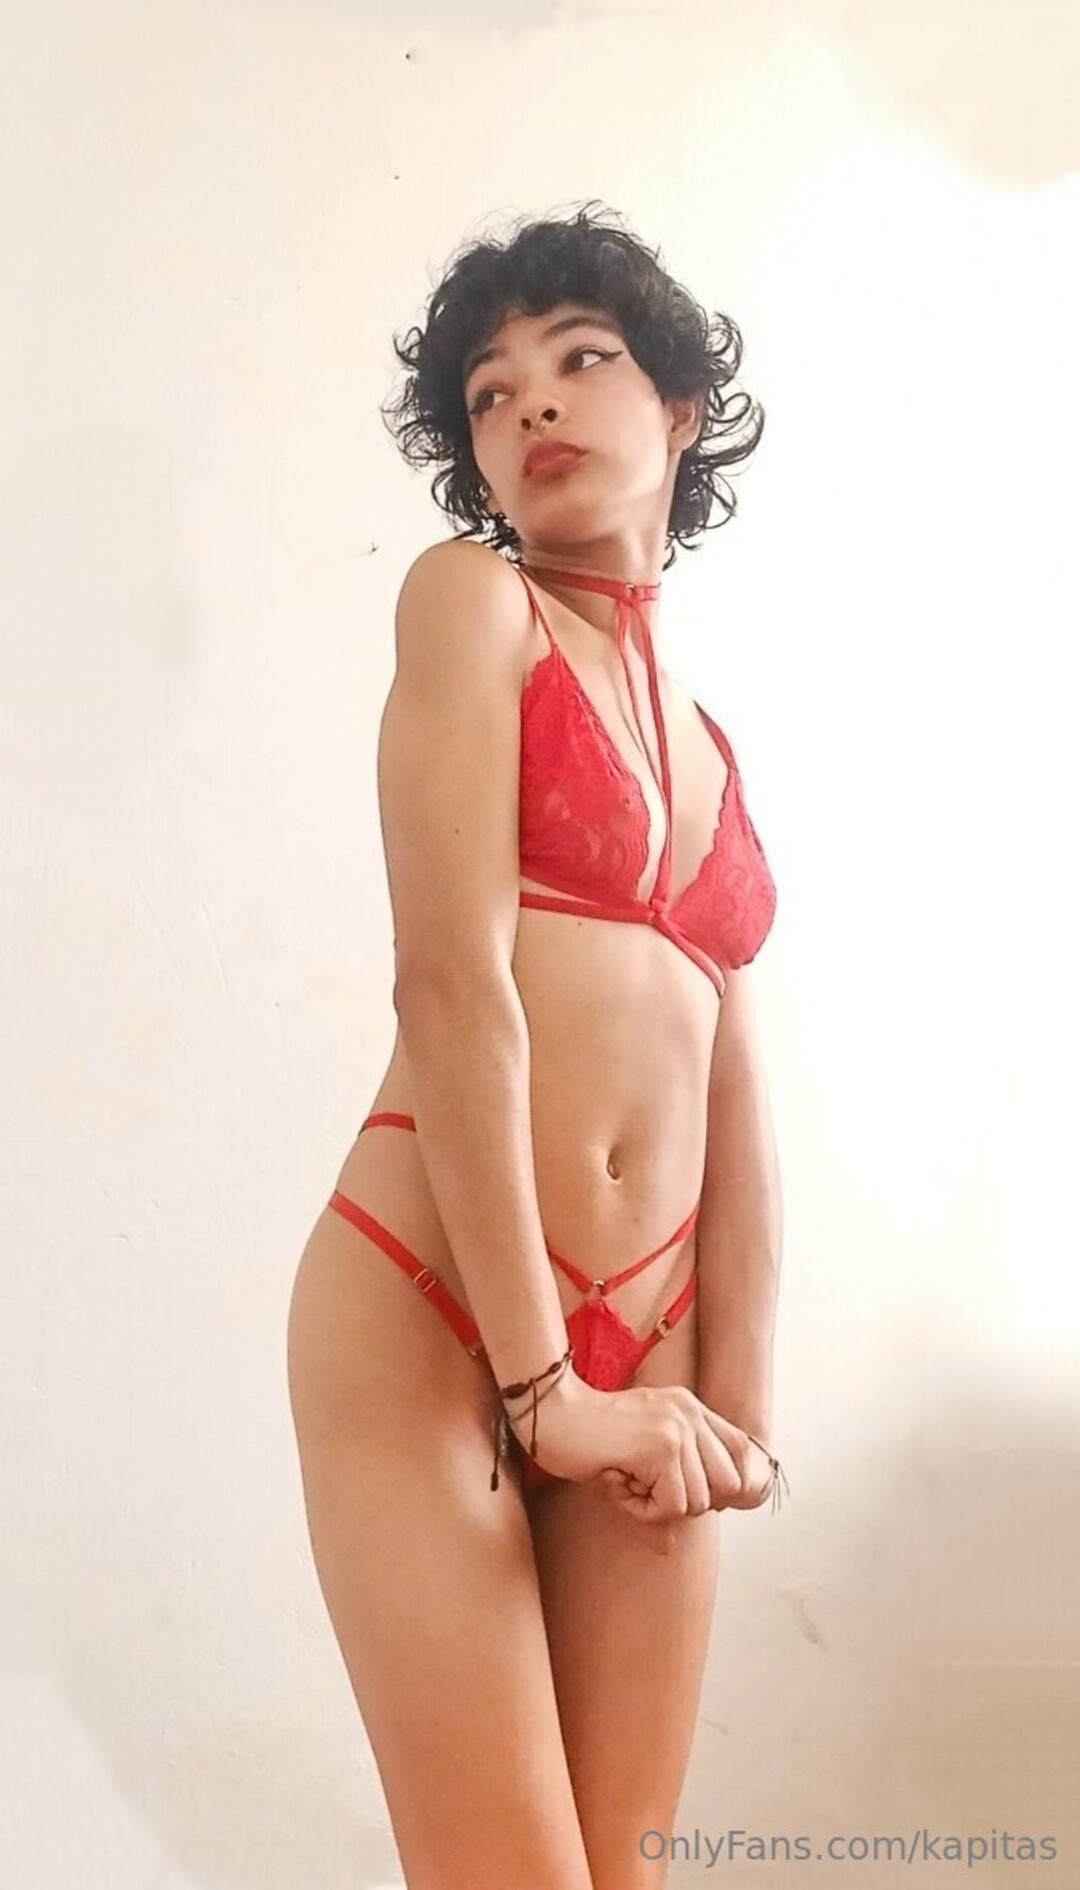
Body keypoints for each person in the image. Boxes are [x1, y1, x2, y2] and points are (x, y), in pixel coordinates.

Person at [286, 201, 787, 1890]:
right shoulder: (472, 606)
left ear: (682, 412)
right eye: (491, 394)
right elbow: (450, 988)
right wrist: (543, 1386)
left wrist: (739, 1409)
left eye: (581, 359)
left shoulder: (714, 750)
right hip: (431, 1312)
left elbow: (737, 1094)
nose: (534, 406)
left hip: (648, 1348)